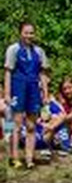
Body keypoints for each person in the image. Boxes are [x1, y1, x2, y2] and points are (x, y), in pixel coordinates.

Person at [5, 22, 49, 170]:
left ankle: (29, 158)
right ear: (20, 33)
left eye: (31, 33)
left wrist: (46, 93)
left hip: (33, 89)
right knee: (16, 125)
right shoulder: (13, 49)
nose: (29, 36)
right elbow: (8, 72)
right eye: (26, 33)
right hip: (18, 86)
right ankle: (14, 157)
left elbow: (43, 73)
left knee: (31, 125)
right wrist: (7, 93)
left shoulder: (39, 51)